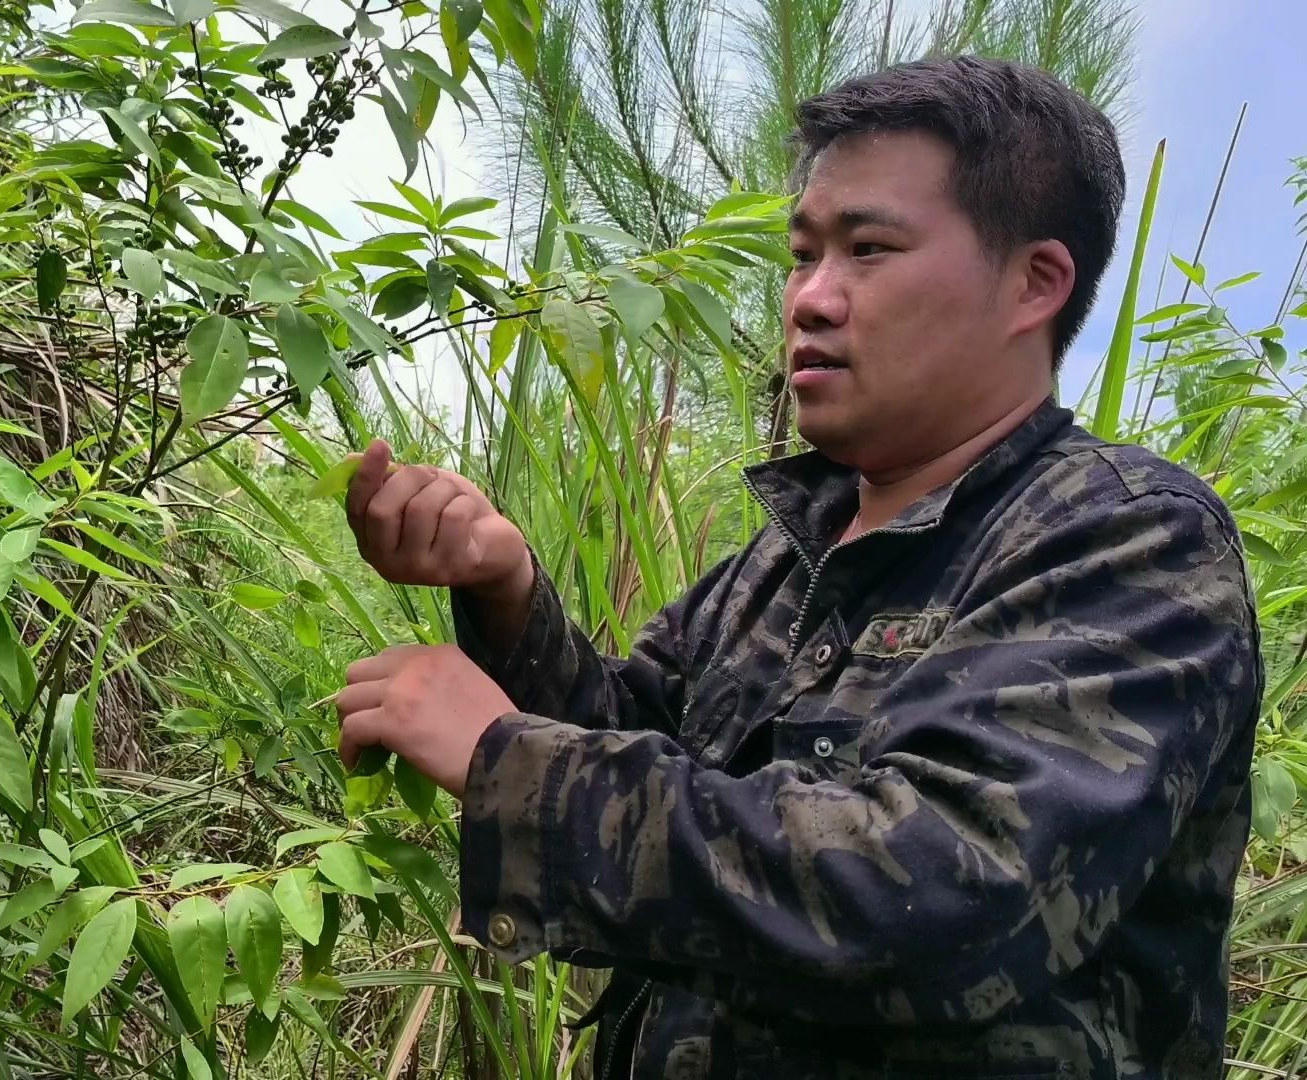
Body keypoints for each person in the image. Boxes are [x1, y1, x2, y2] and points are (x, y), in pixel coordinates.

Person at [331, 56, 1261, 1079]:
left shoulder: (1131, 544)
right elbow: (641, 744)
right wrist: (503, 591)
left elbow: (944, 898)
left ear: (1033, 283)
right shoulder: (780, 564)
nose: (811, 300)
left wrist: (506, 761)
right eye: (803, 254)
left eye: (868, 249)